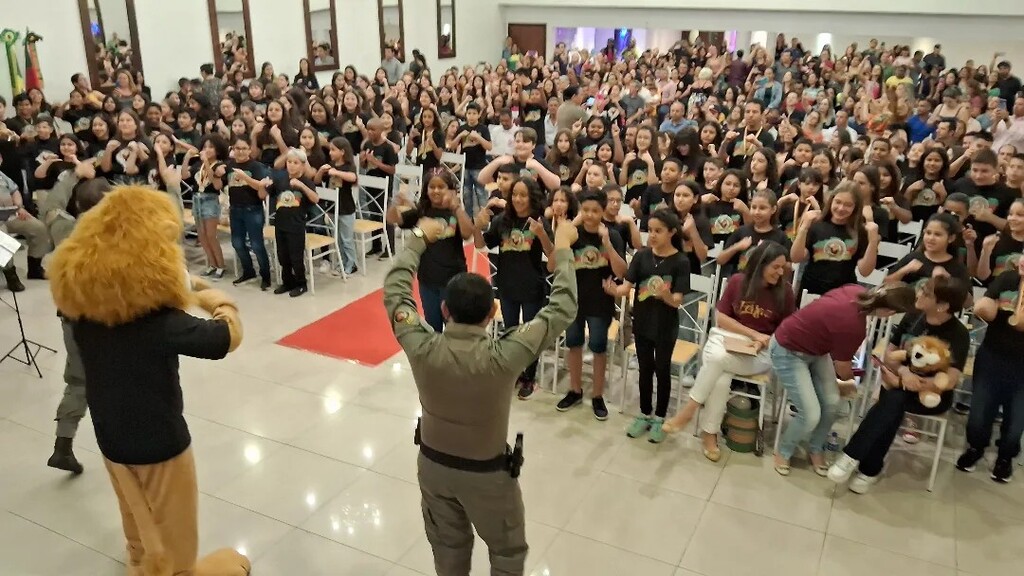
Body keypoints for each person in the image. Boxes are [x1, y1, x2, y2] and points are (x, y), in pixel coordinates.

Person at [49, 185, 249, 576]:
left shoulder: (83, 310)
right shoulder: (158, 322)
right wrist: (212, 297)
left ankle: (142, 564)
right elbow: (226, 337)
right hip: (160, 444)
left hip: (111, 437)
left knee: (135, 518)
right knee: (177, 539)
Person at [382, 203, 579, 576]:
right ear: (492, 314)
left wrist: (419, 239)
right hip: (488, 477)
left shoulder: (423, 346)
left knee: (448, 547)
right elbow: (562, 309)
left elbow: (395, 292)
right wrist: (564, 249)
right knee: (506, 553)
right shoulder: (506, 354)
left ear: (444, 309)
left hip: (434, 468)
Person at [829, 276, 969, 493]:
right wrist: (903, 373)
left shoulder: (958, 334)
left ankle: (852, 456)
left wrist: (909, 382)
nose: (919, 294)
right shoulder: (914, 316)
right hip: (898, 382)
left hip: (931, 395)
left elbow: (949, 380)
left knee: (893, 400)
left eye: (927, 293)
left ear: (942, 306)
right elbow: (890, 351)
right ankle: (869, 470)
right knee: (893, 402)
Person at [663, 241, 795, 459]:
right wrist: (753, 334)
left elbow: (788, 331)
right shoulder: (738, 281)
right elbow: (721, 318)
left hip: (759, 351)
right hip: (728, 339)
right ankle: (709, 434)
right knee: (721, 376)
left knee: (717, 362)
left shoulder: (786, 292)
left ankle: (690, 411)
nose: (781, 272)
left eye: (784, 268)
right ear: (761, 264)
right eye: (776, 267)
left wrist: (763, 340)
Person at [771, 282, 916, 476]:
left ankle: (816, 448)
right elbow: (843, 367)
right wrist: (852, 383)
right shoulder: (853, 326)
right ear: (890, 312)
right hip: (788, 350)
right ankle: (784, 450)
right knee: (811, 414)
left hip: (816, 351)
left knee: (832, 403)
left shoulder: (855, 290)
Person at [605, 209, 688, 442]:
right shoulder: (642, 256)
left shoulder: (681, 261)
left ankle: (660, 417)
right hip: (642, 321)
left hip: (665, 325)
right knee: (644, 369)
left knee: (662, 371)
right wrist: (614, 290)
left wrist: (666, 296)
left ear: (672, 232)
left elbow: (678, 301)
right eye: (650, 230)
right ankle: (644, 413)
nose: (652, 235)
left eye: (658, 231)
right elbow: (627, 286)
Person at [475, 176, 554, 399]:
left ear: (532, 198)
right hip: (507, 285)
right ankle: (513, 372)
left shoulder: (538, 221)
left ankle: (529, 377)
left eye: (523, 195)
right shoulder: (503, 220)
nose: (518, 199)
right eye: (515, 194)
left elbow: (551, 254)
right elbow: (481, 244)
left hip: (532, 286)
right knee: (510, 332)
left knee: (529, 335)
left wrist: (541, 234)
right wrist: (477, 226)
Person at [554, 188, 627, 420]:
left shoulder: (612, 235)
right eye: (585, 210)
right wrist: (567, 230)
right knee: (573, 343)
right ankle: (575, 390)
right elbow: (554, 264)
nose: (590, 215)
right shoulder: (572, 234)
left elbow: (621, 272)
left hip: (600, 302)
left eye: (595, 210)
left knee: (598, 347)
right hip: (574, 299)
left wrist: (607, 243)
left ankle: (597, 395)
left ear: (603, 211)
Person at [956, 254, 1024, 483]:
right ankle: (975, 448)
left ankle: (1005, 457)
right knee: (979, 412)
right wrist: (987, 307)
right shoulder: (1007, 279)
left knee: (1016, 421)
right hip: (992, 356)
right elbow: (986, 305)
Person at [388, 170, 479, 332]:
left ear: (450, 190)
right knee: (432, 326)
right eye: (432, 187)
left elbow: (467, 234)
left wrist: (456, 207)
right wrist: (395, 204)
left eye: (441, 187)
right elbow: (394, 219)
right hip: (428, 279)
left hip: (454, 280)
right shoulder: (422, 211)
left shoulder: (455, 212)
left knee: (455, 328)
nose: (436, 191)